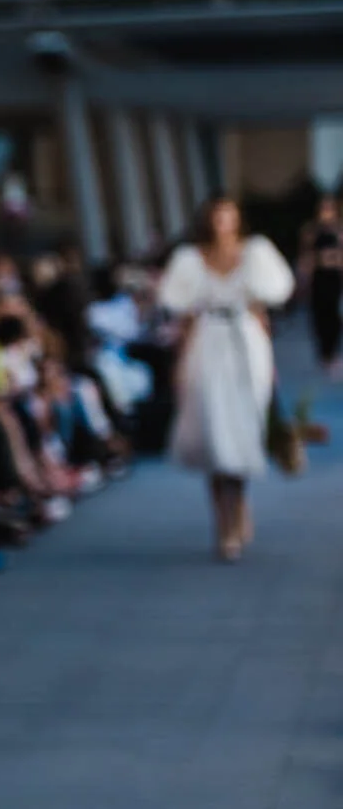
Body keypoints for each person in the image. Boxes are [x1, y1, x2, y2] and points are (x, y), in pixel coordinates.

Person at [159, 197, 296, 561]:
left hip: (246, 345)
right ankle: (223, 521)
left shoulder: (255, 253)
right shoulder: (191, 259)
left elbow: (264, 308)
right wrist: (179, 361)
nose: (223, 222)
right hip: (207, 344)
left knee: (242, 430)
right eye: (217, 216)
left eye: (228, 215)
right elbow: (184, 315)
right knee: (214, 432)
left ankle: (239, 506)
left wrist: (270, 361)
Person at [300, 195, 343, 376]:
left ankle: (332, 353)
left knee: (334, 317)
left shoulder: (339, 231)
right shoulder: (311, 231)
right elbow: (306, 257)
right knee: (319, 317)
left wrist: (331, 259)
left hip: (335, 280)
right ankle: (324, 354)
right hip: (318, 280)